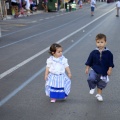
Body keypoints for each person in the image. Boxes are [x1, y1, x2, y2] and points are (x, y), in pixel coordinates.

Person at [85, 33, 114, 102]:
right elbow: (89, 61)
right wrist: (87, 68)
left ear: (105, 42)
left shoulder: (108, 53)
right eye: (98, 42)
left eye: (102, 42)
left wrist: (110, 70)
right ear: (96, 43)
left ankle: (99, 95)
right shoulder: (93, 52)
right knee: (90, 78)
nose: (100, 44)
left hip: (103, 71)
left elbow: (110, 63)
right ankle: (92, 87)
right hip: (94, 69)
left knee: (101, 83)